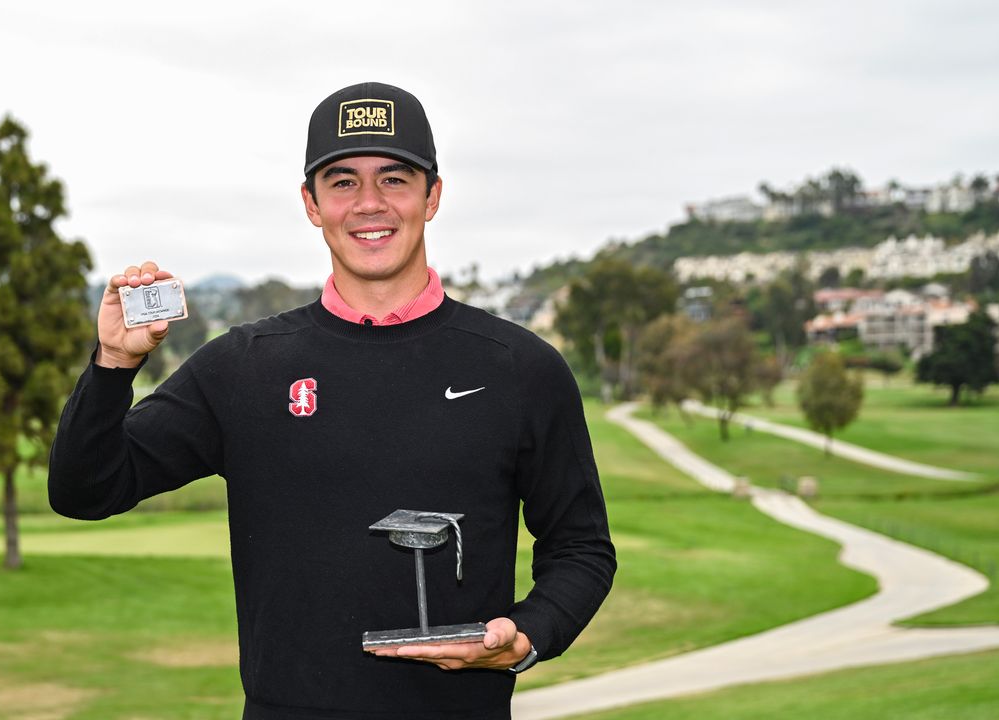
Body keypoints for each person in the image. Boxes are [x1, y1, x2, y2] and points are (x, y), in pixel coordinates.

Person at [48, 81, 616, 720]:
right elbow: (85, 490)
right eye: (342, 182)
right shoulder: (245, 366)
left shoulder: (521, 367)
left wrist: (530, 634)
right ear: (311, 203)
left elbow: (581, 548)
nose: (369, 204)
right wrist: (114, 365)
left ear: (433, 196)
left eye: (394, 179)